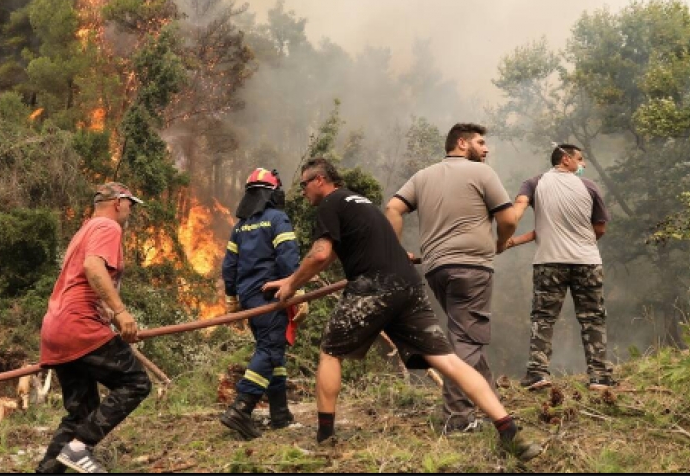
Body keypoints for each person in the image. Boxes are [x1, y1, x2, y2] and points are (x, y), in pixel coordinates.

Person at [264, 158, 541, 461]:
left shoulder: (330, 203)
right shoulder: (360, 203)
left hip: (375, 284)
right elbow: (332, 253)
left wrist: (290, 287)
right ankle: (510, 432)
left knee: (330, 352)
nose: (303, 191)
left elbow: (319, 254)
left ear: (320, 180)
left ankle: (325, 439)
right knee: (447, 360)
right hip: (408, 285)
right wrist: (291, 280)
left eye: (304, 184)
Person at [383, 123, 516, 434]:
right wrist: (500, 242)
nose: (486, 148)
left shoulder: (423, 176)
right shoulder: (482, 173)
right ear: (461, 143)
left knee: (465, 333)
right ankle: (458, 417)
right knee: (466, 340)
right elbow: (508, 218)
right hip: (471, 268)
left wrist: (397, 251)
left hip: (437, 269)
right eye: (480, 142)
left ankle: (492, 407)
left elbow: (393, 208)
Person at [36, 182, 151, 474]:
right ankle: (79, 448)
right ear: (118, 203)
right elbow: (93, 267)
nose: (131, 211)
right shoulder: (107, 226)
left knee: (81, 413)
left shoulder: (84, 230)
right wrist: (121, 312)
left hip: (56, 328)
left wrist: (110, 314)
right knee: (136, 383)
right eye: (130, 204)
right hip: (80, 326)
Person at [505, 144, 615, 391]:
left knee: (543, 318)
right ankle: (599, 376)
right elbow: (600, 228)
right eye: (580, 159)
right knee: (593, 318)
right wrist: (581, 243)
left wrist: (507, 235)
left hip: (549, 261)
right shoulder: (589, 187)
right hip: (586, 261)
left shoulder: (533, 183)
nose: (583, 164)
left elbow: (521, 212)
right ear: (565, 159)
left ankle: (537, 374)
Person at [219, 168, 306, 440]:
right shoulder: (277, 218)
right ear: (271, 194)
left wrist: (232, 297)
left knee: (272, 351)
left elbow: (229, 265)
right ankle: (241, 408)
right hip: (272, 295)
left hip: (249, 298)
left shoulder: (240, 227)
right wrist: (298, 289)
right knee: (270, 350)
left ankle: (280, 415)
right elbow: (287, 256)